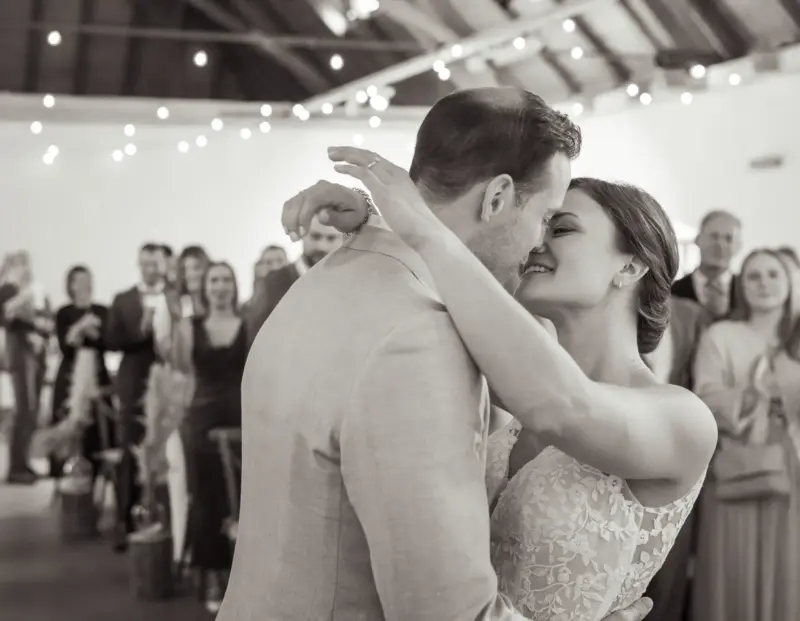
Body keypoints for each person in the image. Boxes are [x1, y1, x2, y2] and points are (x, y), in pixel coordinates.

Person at [220, 87, 660, 621]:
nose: (540, 244)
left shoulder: (324, 281)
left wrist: (379, 218)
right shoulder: (420, 339)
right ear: (496, 198)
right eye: (547, 218)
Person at [692, 248, 800, 621]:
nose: (763, 283)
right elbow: (704, 400)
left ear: (789, 282)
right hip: (736, 464)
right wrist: (757, 394)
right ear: (741, 286)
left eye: (773, 274)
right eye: (753, 275)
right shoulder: (721, 335)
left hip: (794, 466)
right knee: (732, 561)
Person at [172, 262, 246, 613]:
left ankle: (245, 573)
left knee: (245, 496)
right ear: (204, 287)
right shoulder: (189, 327)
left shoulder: (248, 324)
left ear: (234, 286)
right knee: (206, 497)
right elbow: (181, 373)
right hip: (201, 420)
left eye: (226, 280)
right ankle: (213, 575)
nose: (220, 286)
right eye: (214, 280)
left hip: (242, 417)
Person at [50, 265, 112, 480]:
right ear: (71, 285)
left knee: (99, 423)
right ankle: (65, 472)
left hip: (97, 373)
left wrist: (87, 332)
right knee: (67, 421)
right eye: (80, 281)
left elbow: (106, 342)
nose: (85, 285)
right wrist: (82, 326)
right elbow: (66, 346)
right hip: (70, 375)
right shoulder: (63, 312)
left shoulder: (102, 310)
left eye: (88, 280)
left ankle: (96, 469)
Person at [244, 219, 342, 345]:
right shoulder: (271, 284)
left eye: (331, 238)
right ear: (302, 234)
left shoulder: (351, 284)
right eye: (315, 237)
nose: (322, 246)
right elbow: (255, 343)